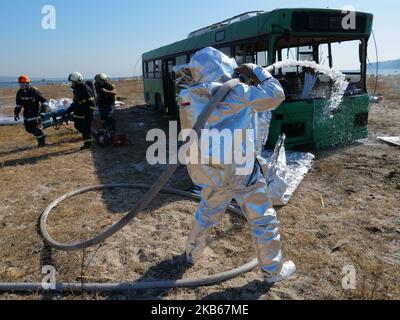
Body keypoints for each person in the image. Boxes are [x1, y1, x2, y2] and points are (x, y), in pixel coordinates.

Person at [175, 47, 296, 284]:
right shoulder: (237, 91)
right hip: (242, 172)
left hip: (213, 173)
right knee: (263, 220)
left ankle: (191, 255)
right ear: (223, 66)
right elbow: (276, 95)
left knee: (206, 214)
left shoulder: (188, 96)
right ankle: (273, 272)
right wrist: (257, 71)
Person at [64, 72, 96, 150]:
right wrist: (67, 112)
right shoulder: (76, 90)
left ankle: (88, 144)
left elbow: (92, 103)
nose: (71, 83)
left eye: (72, 82)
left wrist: (90, 115)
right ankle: (94, 135)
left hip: (87, 113)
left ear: (77, 81)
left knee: (85, 128)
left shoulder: (85, 89)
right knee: (78, 125)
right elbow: (75, 103)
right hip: (80, 112)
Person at [14, 75, 48, 147]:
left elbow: (44, 101)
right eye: (20, 83)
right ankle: (42, 135)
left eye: (23, 83)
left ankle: (41, 144)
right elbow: (18, 105)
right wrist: (16, 113)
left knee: (36, 128)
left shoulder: (34, 91)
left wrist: (42, 112)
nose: (21, 85)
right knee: (28, 129)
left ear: (27, 83)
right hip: (26, 113)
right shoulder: (20, 93)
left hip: (35, 113)